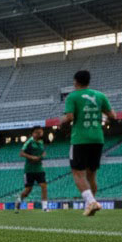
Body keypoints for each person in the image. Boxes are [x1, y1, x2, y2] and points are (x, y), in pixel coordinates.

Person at [60, 69, 114, 217]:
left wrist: (61, 120)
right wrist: (101, 120)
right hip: (97, 138)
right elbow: (113, 116)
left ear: (75, 81)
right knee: (92, 175)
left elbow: (69, 117)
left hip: (80, 139)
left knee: (78, 173)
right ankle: (90, 205)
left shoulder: (73, 96)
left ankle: (91, 202)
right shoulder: (100, 95)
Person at [16, 127, 47, 210]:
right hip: (29, 169)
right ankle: (19, 200)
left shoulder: (41, 142)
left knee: (43, 185)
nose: (39, 134)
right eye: (37, 132)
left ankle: (44, 207)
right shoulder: (29, 142)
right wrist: (32, 157)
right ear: (33, 133)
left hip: (39, 168)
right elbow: (21, 153)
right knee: (28, 190)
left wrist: (43, 155)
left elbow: (43, 151)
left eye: (40, 132)